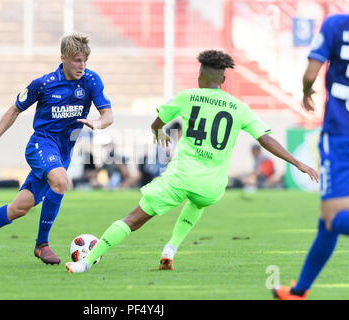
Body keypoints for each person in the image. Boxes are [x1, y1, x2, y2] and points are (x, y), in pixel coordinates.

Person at [64, 49, 319, 273]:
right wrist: (298, 163)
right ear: (223, 79)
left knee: (133, 219)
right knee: (197, 202)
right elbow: (265, 140)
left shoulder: (187, 97)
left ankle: (85, 262)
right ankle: (171, 248)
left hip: (180, 178)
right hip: (212, 187)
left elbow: (156, 124)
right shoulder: (238, 107)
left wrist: (159, 133)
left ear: (200, 77)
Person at [0, 32, 113, 265]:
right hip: (40, 145)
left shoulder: (91, 81)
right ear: (63, 57)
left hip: (62, 153)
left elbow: (108, 115)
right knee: (61, 181)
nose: (82, 65)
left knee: (18, 209)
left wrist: (98, 123)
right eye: (77, 60)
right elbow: (14, 110)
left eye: (85, 60)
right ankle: (41, 245)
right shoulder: (43, 84)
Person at [273, 14, 349, 300]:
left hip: (341, 134)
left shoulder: (336, 25)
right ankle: (299, 291)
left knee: (334, 218)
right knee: (325, 222)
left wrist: (307, 92)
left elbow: (309, 74)